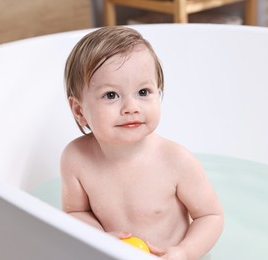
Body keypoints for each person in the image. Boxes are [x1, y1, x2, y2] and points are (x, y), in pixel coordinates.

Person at [61, 26, 224, 259]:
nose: (131, 108)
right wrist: (100, 238)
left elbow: (210, 216)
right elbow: (75, 212)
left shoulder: (176, 161)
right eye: (111, 95)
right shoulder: (76, 158)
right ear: (79, 110)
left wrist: (185, 252)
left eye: (143, 92)